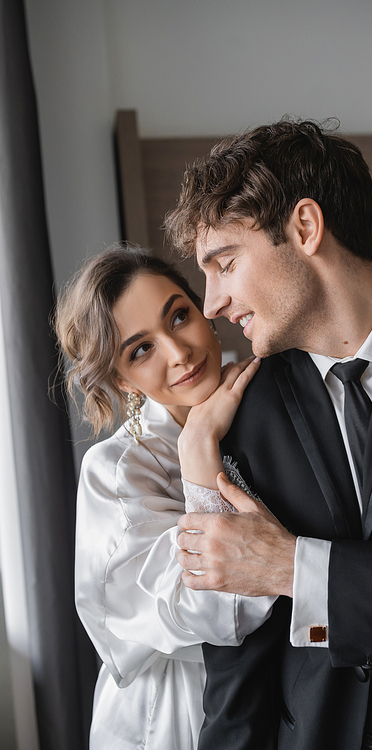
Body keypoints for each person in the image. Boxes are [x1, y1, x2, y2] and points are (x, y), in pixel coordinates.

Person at [167, 118, 372, 750]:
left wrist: (296, 569)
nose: (211, 303)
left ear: (305, 228)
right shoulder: (240, 411)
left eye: (226, 264)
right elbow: (239, 658)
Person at [54, 246, 276, 750]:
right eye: (140, 350)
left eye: (178, 316)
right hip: (175, 721)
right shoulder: (115, 472)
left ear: (205, 310)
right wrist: (198, 455)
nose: (178, 353)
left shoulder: (272, 389)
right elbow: (216, 612)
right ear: (120, 380)